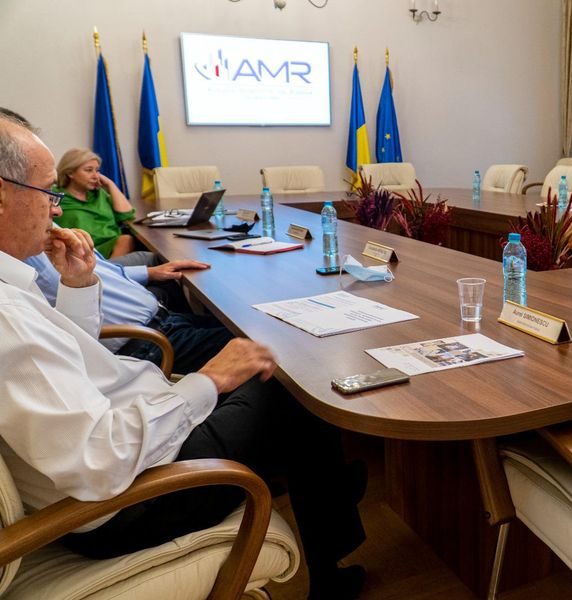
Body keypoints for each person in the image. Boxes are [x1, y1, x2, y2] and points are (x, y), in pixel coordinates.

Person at [0, 116, 366, 598]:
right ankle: (330, 554)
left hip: (129, 449)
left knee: (272, 383)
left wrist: (79, 284)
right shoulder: (6, 314)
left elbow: (75, 363)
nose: (56, 206)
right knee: (289, 387)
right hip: (124, 503)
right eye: (49, 191)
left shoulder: (13, 285)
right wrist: (208, 381)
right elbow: (97, 461)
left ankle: (323, 485)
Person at [25, 249, 233, 374]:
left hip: (165, 321)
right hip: (147, 343)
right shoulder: (24, 250)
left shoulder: (45, 233)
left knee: (234, 325)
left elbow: (103, 270)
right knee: (249, 341)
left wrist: (149, 273)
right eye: (47, 195)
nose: (57, 209)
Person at [52, 148, 142, 260]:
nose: (96, 176)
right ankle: (109, 269)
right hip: (80, 252)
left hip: (113, 248)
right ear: (70, 173)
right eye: (89, 170)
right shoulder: (56, 196)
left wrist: (110, 184)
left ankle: (109, 269)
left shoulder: (99, 194)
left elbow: (127, 215)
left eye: (97, 170)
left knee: (127, 240)